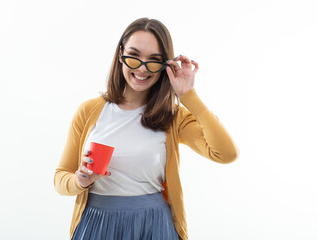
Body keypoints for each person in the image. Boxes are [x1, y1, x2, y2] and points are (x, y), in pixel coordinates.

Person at [54, 17, 238, 240]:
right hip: (97, 224)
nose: (142, 68)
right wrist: (79, 181)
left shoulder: (173, 116)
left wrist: (188, 96)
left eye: (154, 60)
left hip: (154, 226)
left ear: (165, 66)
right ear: (121, 54)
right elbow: (60, 177)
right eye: (134, 56)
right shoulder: (89, 111)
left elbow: (226, 153)